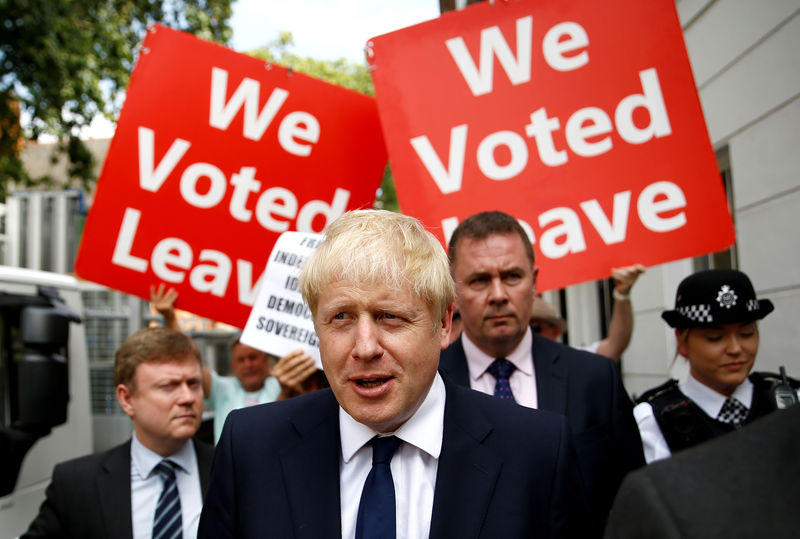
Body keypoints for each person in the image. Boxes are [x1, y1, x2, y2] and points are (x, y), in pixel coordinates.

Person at [198, 210, 591, 538]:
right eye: (341, 318)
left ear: (443, 324)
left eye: (390, 317)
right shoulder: (249, 447)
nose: (365, 346)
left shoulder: (538, 452)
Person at [438, 210, 645, 534]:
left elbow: (633, 501)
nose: (498, 295)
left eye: (512, 276)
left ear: (535, 282)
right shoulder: (429, 384)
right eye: (479, 280)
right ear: (453, 291)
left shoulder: (594, 380)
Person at [23, 327, 214, 538]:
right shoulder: (76, 484)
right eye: (168, 386)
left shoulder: (233, 471)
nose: (188, 398)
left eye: (194, 384)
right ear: (127, 399)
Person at [633, 268, 799, 463]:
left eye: (747, 333)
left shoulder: (789, 401)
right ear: (682, 341)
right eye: (715, 338)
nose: (735, 349)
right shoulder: (653, 422)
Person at [150, 284, 319, 443]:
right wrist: (170, 318)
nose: (248, 365)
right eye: (241, 360)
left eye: (253, 357)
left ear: (266, 360)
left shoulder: (284, 384)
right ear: (232, 365)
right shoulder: (222, 388)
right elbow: (189, 360)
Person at [604, 405, 800, 538]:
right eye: (714, 340)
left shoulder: (781, 400)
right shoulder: (653, 417)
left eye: (747, 339)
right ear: (683, 346)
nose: (734, 349)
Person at [530, 264, 646, 364]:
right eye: (524, 328)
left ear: (555, 332)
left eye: (535, 328)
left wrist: (622, 294)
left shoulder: (569, 362)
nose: (527, 334)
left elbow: (614, 347)